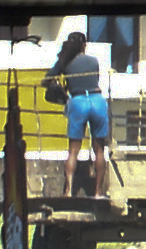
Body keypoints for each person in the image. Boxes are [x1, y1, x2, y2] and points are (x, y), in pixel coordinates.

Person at [42, 32, 108, 197]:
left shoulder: (64, 61)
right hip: (97, 100)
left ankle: (68, 190)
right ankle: (98, 192)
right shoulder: (93, 61)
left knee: (73, 151)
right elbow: (95, 79)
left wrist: (59, 88)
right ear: (84, 45)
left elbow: (46, 80)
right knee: (99, 150)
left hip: (78, 102)